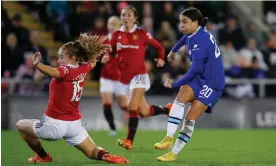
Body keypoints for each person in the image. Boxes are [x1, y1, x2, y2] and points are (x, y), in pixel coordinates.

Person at [15, 33, 129, 164]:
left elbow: (52, 72)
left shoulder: (66, 70)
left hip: (54, 124)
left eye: (61, 57)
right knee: (92, 152)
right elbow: (92, 62)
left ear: (72, 57)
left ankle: (43, 156)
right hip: (74, 125)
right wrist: (89, 49)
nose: (59, 61)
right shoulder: (82, 69)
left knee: (20, 125)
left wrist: (37, 65)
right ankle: (107, 156)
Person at [154, 7, 225, 161]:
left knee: (189, 119)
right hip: (201, 78)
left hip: (213, 84)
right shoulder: (193, 34)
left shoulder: (202, 40)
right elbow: (184, 39)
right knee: (180, 98)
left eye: (185, 22)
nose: (181, 25)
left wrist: (174, 84)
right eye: (180, 22)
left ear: (196, 22)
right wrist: (173, 51)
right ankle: (168, 138)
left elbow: (194, 70)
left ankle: (174, 153)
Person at [102, 6, 171, 150]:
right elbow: (112, 53)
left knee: (131, 107)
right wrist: (107, 56)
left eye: (129, 15)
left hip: (140, 76)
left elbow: (159, 47)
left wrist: (160, 59)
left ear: (135, 18)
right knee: (144, 112)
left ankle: (129, 140)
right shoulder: (116, 35)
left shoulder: (141, 34)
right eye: (123, 15)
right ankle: (167, 110)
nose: (125, 18)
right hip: (125, 80)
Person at [100, 16, 128, 136]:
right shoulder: (104, 40)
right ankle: (113, 128)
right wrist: (101, 58)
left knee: (124, 105)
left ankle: (132, 121)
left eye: (114, 24)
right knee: (107, 103)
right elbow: (96, 56)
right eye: (109, 23)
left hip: (120, 78)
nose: (111, 26)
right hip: (106, 77)